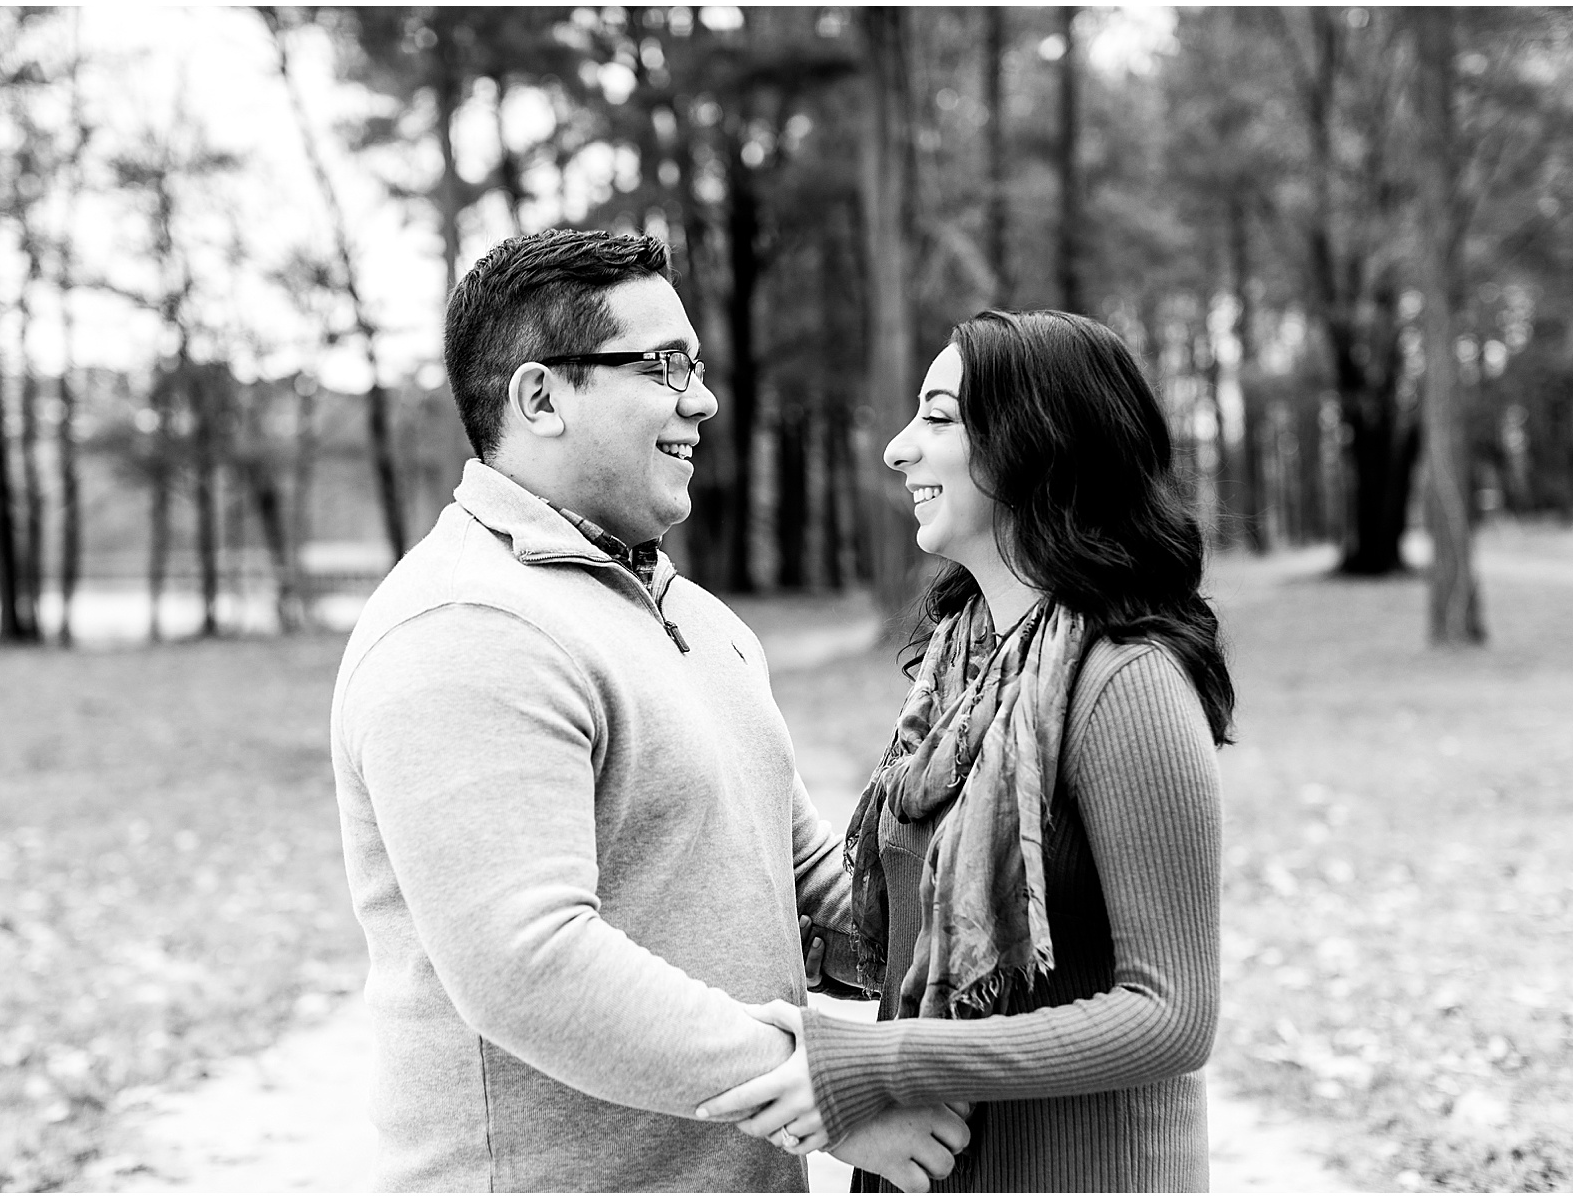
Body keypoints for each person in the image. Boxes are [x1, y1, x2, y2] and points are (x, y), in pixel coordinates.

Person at [328, 228, 969, 1191]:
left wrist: (986, 950)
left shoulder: (697, 620)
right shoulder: (467, 626)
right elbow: (528, 964)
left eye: (699, 365)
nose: (702, 398)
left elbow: (804, 889)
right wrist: (827, 1092)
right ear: (540, 397)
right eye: (663, 365)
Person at [698, 309, 1233, 1192]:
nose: (898, 450)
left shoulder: (1125, 680)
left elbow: (1171, 1016)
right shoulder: (962, 670)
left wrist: (884, 1060)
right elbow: (917, 921)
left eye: (939, 417)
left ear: (1038, 442)